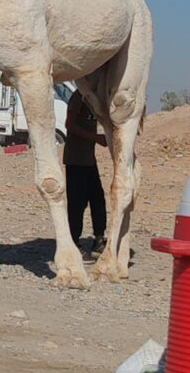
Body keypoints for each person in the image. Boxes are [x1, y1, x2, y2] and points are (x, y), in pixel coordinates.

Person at [63, 88, 108, 259]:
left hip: (89, 160)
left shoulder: (94, 99)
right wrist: (95, 138)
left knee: (98, 199)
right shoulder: (78, 97)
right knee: (77, 203)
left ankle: (98, 239)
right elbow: (69, 124)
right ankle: (73, 242)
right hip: (76, 160)